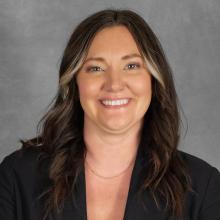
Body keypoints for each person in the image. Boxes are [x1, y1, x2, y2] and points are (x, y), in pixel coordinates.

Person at [0, 8, 220, 220]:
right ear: (74, 84)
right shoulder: (17, 177)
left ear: (153, 79)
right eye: (96, 68)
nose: (114, 84)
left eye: (132, 66)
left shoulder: (202, 186)